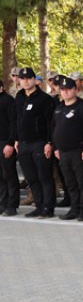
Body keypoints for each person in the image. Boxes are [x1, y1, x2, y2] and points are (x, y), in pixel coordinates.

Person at [13, 67, 56, 218]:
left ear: (34, 80)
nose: (25, 81)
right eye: (22, 78)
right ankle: (39, 205)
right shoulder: (19, 97)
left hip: (40, 142)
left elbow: (51, 122)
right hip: (23, 143)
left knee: (44, 176)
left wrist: (49, 142)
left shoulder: (44, 99)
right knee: (31, 177)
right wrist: (16, 139)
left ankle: (48, 208)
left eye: (28, 78)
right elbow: (17, 120)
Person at [52, 76, 83, 221]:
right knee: (70, 183)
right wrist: (56, 147)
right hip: (63, 152)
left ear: (75, 90)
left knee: (82, 182)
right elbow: (54, 129)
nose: (65, 92)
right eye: (62, 90)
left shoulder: (82, 107)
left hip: (78, 151)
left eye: (68, 89)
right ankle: (74, 208)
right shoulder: (59, 108)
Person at [0, 80, 17, 216]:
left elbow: (13, 123)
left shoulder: (8, 100)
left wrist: (10, 143)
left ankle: (12, 205)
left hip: (6, 142)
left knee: (9, 175)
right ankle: (2, 203)